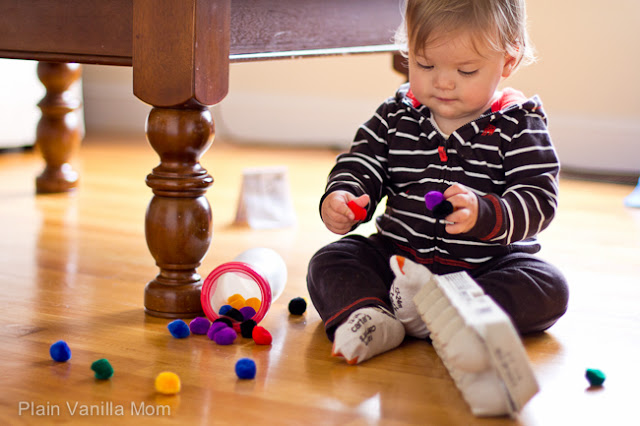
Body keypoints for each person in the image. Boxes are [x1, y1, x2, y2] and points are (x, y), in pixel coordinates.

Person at [307, 0, 569, 365]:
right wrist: (347, 195)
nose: (443, 82)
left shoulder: (519, 125)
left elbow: (538, 198)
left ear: (508, 61)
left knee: (548, 287)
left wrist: (485, 212)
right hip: (397, 261)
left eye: (466, 71)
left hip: (482, 269)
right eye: (425, 64)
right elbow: (362, 162)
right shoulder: (396, 115)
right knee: (332, 259)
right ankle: (371, 316)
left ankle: (459, 320)